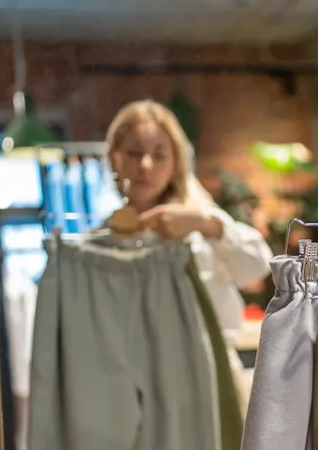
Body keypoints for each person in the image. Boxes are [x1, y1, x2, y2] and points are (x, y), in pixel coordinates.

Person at [106, 99, 274, 407]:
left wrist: (208, 224)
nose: (145, 166)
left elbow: (257, 267)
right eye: (134, 153)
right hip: (134, 391)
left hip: (210, 381)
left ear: (176, 162)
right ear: (114, 157)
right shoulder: (103, 242)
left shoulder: (202, 222)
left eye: (159, 155)